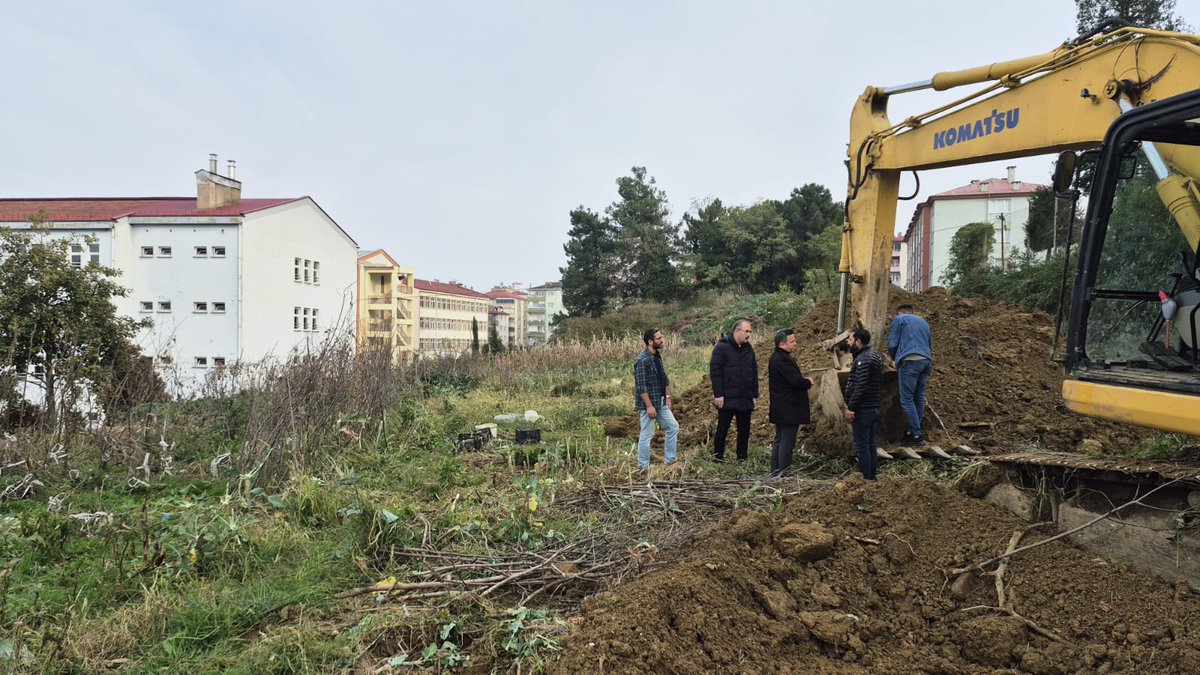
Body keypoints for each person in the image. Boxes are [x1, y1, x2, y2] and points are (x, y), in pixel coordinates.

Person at [709, 319, 758, 462]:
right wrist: (718, 394)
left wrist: (754, 394)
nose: (749, 334)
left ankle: (742, 458)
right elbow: (715, 372)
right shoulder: (722, 348)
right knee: (722, 429)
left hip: (745, 396)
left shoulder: (749, 349)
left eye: (750, 331)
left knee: (744, 431)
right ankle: (718, 457)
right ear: (737, 331)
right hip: (727, 397)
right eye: (747, 331)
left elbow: (754, 371)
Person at [768, 328, 814, 475]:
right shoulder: (782, 359)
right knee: (787, 442)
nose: (795, 344)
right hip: (788, 408)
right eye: (792, 341)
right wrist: (807, 382)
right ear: (782, 344)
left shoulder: (778, 357)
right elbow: (795, 381)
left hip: (782, 407)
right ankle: (784, 472)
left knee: (780, 438)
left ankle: (776, 471)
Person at [887, 303, 933, 447]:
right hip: (926, 361)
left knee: (907, 399)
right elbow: (929, 344)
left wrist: (894, 359)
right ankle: (912, 433)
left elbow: (893, 344)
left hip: (910, 361)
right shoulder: (923, 322)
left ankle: (917, 435)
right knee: (918, 398)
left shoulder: (899, 320)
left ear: (899, 313)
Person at [633, 328, 678, 470]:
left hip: (661, 401)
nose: (662, 340)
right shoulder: (642, 360)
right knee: (647, 434)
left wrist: (668, 397)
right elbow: (641, 386)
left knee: (673, 427)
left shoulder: (657, 357)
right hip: (650, 404)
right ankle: (643, 466)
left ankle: (671, 461)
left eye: (661, 337)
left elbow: (664, 379)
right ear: (650, 342)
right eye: (658, 338)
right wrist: (649, 406)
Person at [843, 327, 883, 481]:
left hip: (863, 409)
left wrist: (851, 407)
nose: (848, 342)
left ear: (858, 341)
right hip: (872, 407)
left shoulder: (863, 359)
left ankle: (866, 479)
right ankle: (872, 477)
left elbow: (861, 385)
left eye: (851, 339)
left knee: (862, 446)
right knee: (870, 444)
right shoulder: (874, 355)